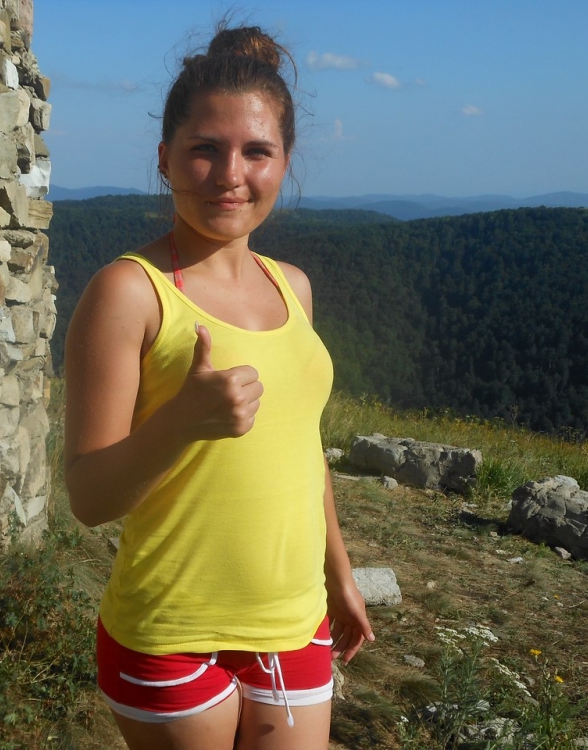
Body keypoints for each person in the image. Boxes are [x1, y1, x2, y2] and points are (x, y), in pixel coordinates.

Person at [63, 23, 374, 750]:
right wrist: (181, 422)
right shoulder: (130, 292)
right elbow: (88, 498)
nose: (230, 174)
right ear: (165, 157)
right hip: (170, 630)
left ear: (285, 161)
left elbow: (303, 448)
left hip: (295, 621)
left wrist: (339, 574)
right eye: (205, 148)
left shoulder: (293, 287)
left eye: (256, 151)